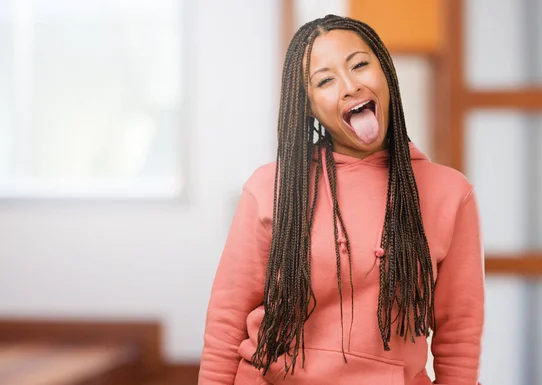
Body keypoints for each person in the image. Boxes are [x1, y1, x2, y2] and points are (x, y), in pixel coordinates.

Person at [198, 14, 484, 385]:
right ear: (308, 105)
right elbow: (226, 321)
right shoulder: (271, 187)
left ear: (386, 72)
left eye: (360, 65)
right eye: (326, 80)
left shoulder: (450, 193)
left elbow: (458, 333)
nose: (349, 86)